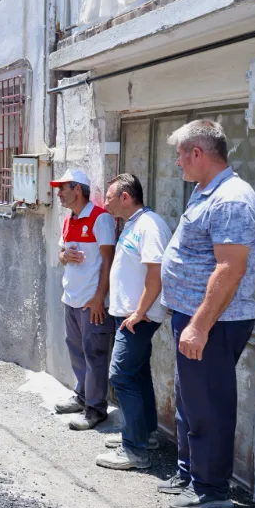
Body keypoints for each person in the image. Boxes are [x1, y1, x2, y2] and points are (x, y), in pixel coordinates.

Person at [158, 120, 255, 508]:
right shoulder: (205, 191)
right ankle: (190, 472)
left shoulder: (231, 198)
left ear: (197, 153)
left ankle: (211, 489)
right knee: (190, 398)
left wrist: (199, 325)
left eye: (181, 155)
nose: (177, 163)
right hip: (194, 315)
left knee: (209, 403)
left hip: (214, 321)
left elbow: (229, 269)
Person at [94, 174, 171, 471]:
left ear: (126, 197)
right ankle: (144, 434)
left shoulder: (149, 226)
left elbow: (156, 273)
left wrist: (139, 312)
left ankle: (134, 450)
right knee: (137, 375)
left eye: (110, 197)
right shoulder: (134, 224)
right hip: (130, 315)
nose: (106, 203)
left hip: (138, 317)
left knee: (121, 376)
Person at [52, 169, 116, 431]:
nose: (58, 194)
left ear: (77, 189)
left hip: (92, 302)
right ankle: (82, 396)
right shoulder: (69, 219)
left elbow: (109, 261)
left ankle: (96, 409)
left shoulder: (101, 218)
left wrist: (100, 297)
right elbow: (61, 254)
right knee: (76, 351)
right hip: (72, 298)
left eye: (62, 188)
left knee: (95, 354)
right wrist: (65, 257)